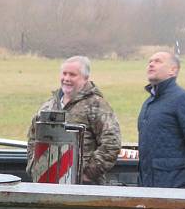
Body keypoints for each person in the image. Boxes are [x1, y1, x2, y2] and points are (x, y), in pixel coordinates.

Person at [26, 56, 121, 184]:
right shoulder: (49, 105)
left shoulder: (96, 105)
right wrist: (34, 167)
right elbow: (33, 137)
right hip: (48, 183)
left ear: (85, 78)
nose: (66, 79)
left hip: (85, 189)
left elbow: (111, 143)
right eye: (64, 74)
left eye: (72, 75)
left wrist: (87, 175)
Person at [137, 51, 185, 189]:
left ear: (173, 70)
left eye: (158, 61)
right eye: (150, 61)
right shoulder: (149, 103)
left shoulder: (183, 99)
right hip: (149, 187)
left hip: (175, 187)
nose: (151, 65)